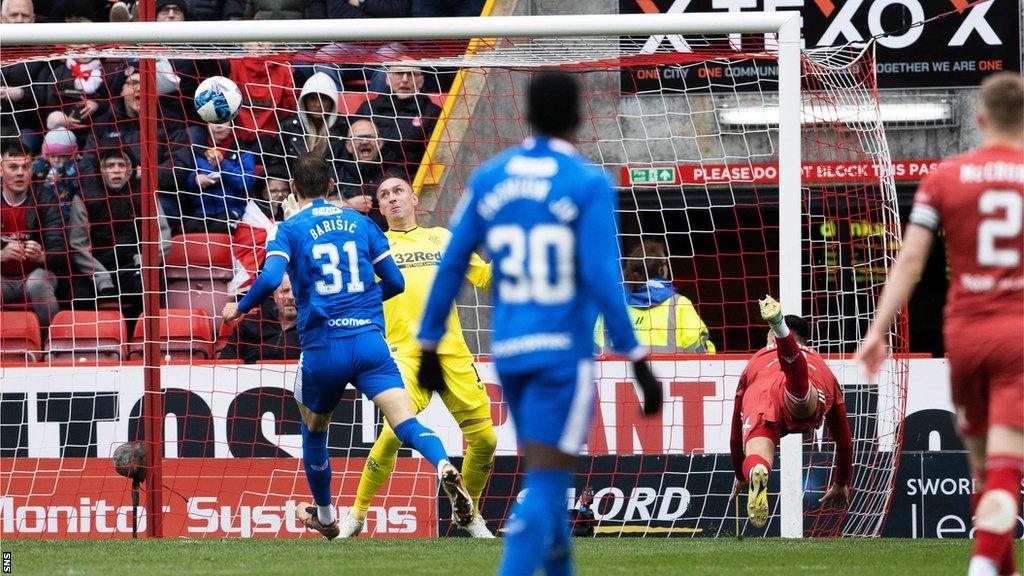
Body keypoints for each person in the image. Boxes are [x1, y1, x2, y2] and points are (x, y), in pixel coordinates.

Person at [416, 72, 662, 575]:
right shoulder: (588, 181)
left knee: (544, 473)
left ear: (525, 114)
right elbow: (601, 276)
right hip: (561, 356)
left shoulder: (490, 177)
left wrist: (427, 345)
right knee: (549, 484)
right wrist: (636, 357)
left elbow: (451, 265)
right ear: (580, 118)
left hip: (510, 353)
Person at [221, 151, 475, 539]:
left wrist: (237, 308)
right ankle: (442, 464)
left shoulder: (289, 228)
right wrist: (365, 304)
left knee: (314, 432)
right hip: (370, 345)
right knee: (405, 422)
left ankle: (324, 515)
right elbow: (395, 283)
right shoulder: (363, 224)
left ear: (293, 189)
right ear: (329, 187)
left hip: (323, 350)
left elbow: (272, 279)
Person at [856, 72, 1023, 576]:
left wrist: (878, 329)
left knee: (983, 470)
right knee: (1006, 466)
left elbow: (909, 261)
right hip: (1018, 335)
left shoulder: (944, 177)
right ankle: (981, 567)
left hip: (965, 336)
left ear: (979, 119)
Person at [334, 174, 496, 538]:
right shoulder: (373, 246)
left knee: (486, 441)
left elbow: (486, 279)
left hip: (452, 353)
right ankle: (356, 514)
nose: (392, 198)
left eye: (398, 191)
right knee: (393, 434)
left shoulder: (442, 238)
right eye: (384, 194)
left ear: (414, 199)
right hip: (402, 354)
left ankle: (468, 514)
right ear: (379, 207)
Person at [728, 296, 851, 528]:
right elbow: (844, 441)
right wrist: (841, 480)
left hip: (762, 395)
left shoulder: (756, 360)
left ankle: (756, 470)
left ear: (771, 339)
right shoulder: (822, 365)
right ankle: (799, 389)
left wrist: (740, 470)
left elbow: (736, 432)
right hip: (806, 394)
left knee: (758, 456)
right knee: (799, 390)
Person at [596, 239, 714, 354]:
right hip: (668, 374)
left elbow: (594, 350)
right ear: (661, 269)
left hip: (618, 374)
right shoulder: (679, 305)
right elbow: (702, 355)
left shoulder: (611, 305)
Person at [0, 142, 67, 329]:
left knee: (37, 283)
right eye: (13, 167)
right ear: (1, 170)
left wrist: (42, 256)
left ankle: (52, 343)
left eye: (26, 167)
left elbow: (61, 252)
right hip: (2, 278)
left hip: (37, 275)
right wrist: (1, 255)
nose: (20, 172)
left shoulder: (46, 199)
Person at [83, 145, 144, 320]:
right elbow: (77, 244)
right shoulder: (85, 197)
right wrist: (100, 274)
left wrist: (147, 257)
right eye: (110, 166)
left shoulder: (144, 194)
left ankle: (139, 340)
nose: (116, 170)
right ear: (100, 169)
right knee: (79, 293)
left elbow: (162, 234)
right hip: (95, 268)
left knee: (147, 286)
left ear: (130, 169)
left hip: (131, 266)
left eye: (121, 165)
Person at [354, 65, 442, 166]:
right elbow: (349, 146)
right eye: (399, 73)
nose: (405, 79)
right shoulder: (367, 109)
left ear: (421, 81)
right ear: (388, 79)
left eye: (411, 74)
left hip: (412, 177)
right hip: (369, 175)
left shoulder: (432, 112)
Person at [184, 121, 257, 233]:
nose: (219, 126)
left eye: (223, 121)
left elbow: (247, 183)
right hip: (201, 211)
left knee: (221, 228)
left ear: (232, 123)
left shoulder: (242, 151)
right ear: (207, 124)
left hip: (233, 210)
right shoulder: (195, 150)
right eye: (213, 122)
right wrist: (195, 179)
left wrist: (223, 165)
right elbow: (183, 180)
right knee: (190, 230)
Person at [336, 118, 405, 229]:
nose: (364, 142)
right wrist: (348, 205)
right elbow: (318, 205)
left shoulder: (394, 173)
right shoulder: (336, 172)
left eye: (370, 137)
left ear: (380, 143)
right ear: (349, 146)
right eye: (359, 138)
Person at [219, 273, 300, 363]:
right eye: (285, 291)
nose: (291, 297)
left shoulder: (312, 329)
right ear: (275, 296)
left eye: (296, 292)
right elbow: (226, 361)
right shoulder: (250, 323)